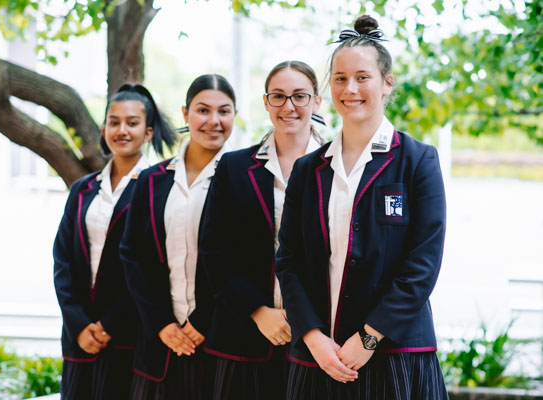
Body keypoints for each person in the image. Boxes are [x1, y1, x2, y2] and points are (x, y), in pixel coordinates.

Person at [275, 15, 448, 399]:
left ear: (387, 84)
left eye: (362, 77)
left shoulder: (417, 161)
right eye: (339, 78)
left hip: (394, 354)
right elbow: (289, 260)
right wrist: (312, 336)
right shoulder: (308, 169)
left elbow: (422, 265)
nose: (350, 88)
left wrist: (368, 338)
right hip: (320, 356)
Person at [199, 61, 324, 400]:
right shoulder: (235, 167)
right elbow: (214, 251)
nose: (289, 106)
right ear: (266, 102)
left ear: (318, 101)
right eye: (278, 96)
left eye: (300, 96)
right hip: (244, 335)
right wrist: (257, 310)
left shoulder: (338, 167)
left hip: (321, 337)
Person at [53, 83, 176, 400]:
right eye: (114, 121)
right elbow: (63, 260)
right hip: (79, 338)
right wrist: (79, 324)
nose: (122, 130)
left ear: (148, 132)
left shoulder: (159, 188)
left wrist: (109, 324)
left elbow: (147, 268)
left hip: (130, 335)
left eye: (132, 123)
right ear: (105, 127)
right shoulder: (83, 188)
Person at [120, 74, 237, 400]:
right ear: (185, 113)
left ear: (234, 116)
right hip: (159, 344)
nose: (213, 121)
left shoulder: (243, 179)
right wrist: (162, 324)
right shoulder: (151, 180)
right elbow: (132, 255)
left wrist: (201, 321)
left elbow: (245, 261)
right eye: (203, 110)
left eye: (224, 111)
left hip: (221, 341)